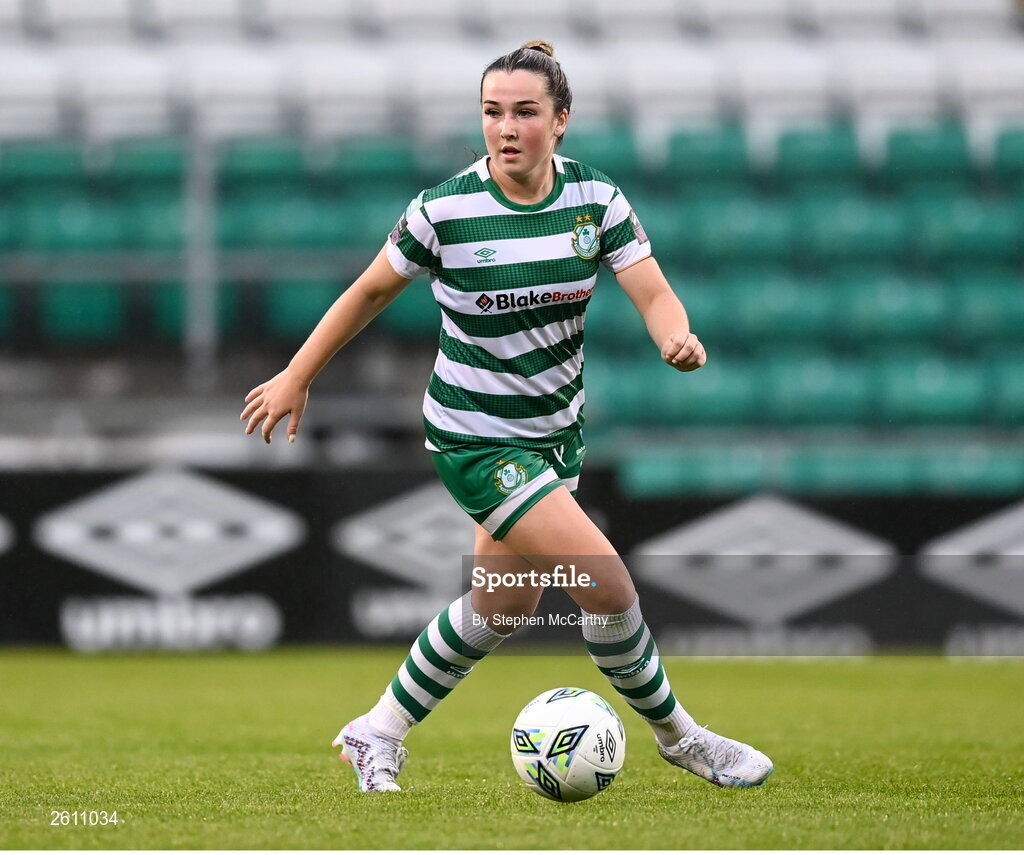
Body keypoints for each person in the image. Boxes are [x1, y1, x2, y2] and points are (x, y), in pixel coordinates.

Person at [241, 40, 773, 793]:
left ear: (561, 121)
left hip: (555, 435)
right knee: (609, 585)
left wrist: (674, 337)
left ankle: (376, 730)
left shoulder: (596, 201)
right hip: (474, 437)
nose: (506, 127)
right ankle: (684, 738)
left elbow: (653, 291)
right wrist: (298, 375)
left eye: (525, 111)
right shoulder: (443, 210)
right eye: (493, 112)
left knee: (500, 606)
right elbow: (365, 293)